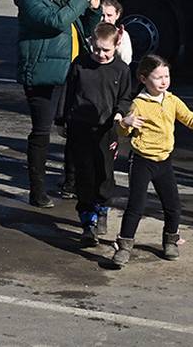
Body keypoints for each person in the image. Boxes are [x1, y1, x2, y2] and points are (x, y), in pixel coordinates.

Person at [110, 54, 193, 267]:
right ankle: (124, 246)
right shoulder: (138, 104)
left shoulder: (172, 100)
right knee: (136, 206)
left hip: (164, 161)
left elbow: (189, 118)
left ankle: (170, 240)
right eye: (158, 77)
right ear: (143, 79)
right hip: (142, 161)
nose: (163, 81)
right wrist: (125, 122)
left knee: (173, 205)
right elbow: (123, 132)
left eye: (166, 76)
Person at [15, 0, 100, 208]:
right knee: (42, 132)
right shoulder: (30, 0)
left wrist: (92, 9)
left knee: (75, 129)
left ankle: (70, 183)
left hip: (69, 72)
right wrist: (81, 0)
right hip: (43, 74)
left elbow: (82, 27)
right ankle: (37, 190)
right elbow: (56, 22)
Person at [58, 23, 133, 246]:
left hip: (106, 130)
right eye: (97, 49)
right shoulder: (80, 64)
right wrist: (61, 119)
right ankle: (87, 222)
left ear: (116, 45)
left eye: (106, 50)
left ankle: (102, 209)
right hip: (80, 127)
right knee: (84, 174)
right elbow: (68, 92)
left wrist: (120, 114)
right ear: (91, 43)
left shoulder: (121, 69)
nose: (100, 54)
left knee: (104, 173)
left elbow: (125, 97)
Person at [99, 0, 133, 66]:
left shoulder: (123, 35)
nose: (105, 19)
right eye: (102, 15)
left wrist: (118, 45)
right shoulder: (91, 32)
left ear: (117, 15)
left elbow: (126, 61)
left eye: (109, 15)